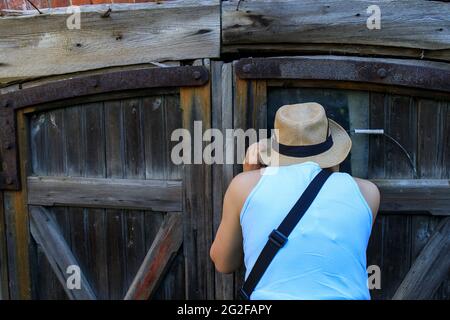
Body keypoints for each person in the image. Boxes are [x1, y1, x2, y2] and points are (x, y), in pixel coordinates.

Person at [210, 102, 380, 300]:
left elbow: (224, 263)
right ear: (332, 149)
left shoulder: (242, 186)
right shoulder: (368, 192)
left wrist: (250, 174)